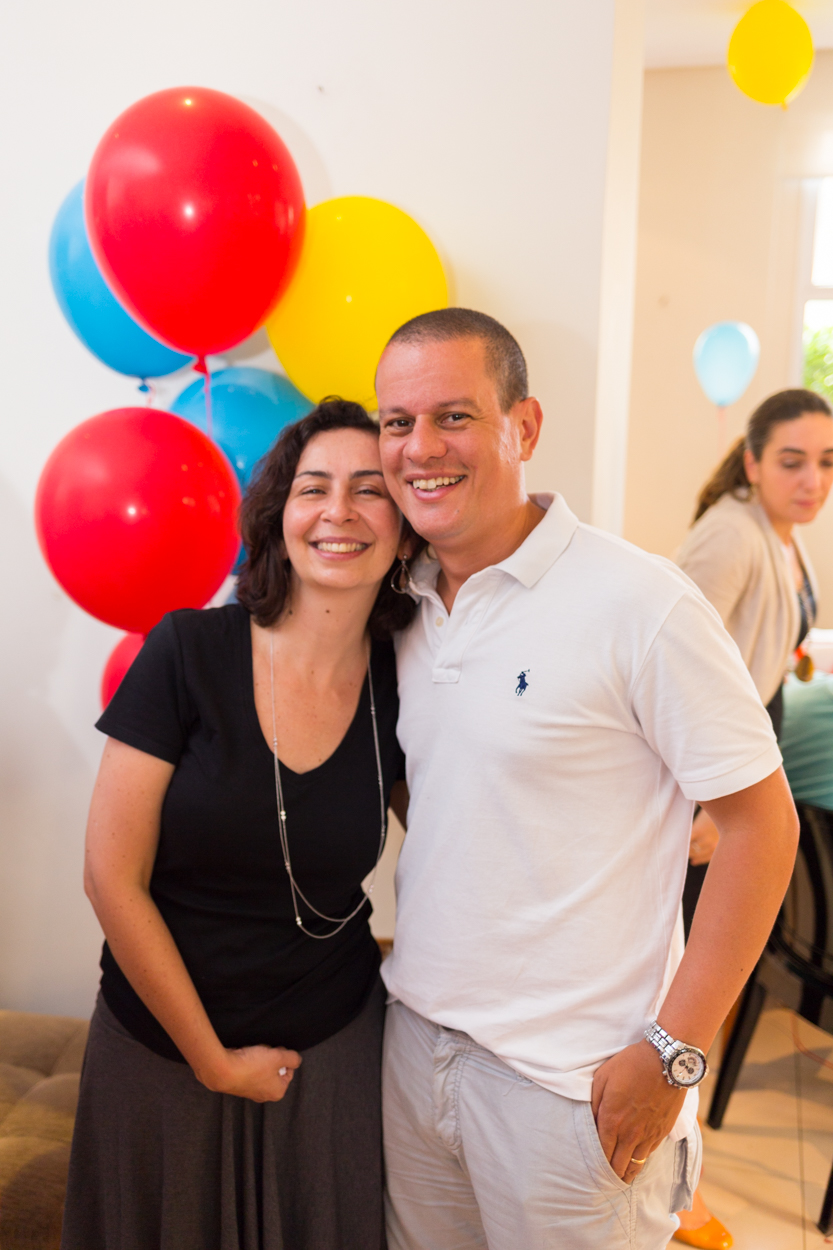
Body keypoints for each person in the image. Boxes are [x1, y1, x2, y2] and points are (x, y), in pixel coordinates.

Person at [373, 308, 799, 1250]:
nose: (420, 447)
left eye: (454, 416)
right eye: (398, 422)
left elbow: (764, 829)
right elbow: (444, 794)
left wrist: (673, 1053)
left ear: (523, 427)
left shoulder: (639, 602)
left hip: (572, 1091)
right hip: (415, 1051)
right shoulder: (397, 602)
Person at [61, 400, 413, 1250]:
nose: (338, 511)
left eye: (370, 490)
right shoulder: (187, 651)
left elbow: (474, 834)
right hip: (162, 1054)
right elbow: (111, 878)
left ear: (406, 531)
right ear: (278, 518)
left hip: (330, 1058)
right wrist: (211, 1060)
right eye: (313, 488)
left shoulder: (407, 682)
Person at [672, 389, 833, 1245]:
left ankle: (678, 1168)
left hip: (740, 762)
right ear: (751, 462)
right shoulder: (730, 535)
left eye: (826, 463)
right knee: (693, 981)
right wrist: (705, 804)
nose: (812, 481)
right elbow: (672, 670)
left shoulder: (776, 531)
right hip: (713, 783)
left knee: (713, 975)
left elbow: (761, 648)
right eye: (792, 462)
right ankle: (676, 1187)